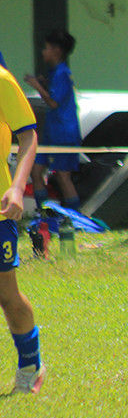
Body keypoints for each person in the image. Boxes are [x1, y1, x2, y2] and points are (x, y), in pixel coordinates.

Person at [0, 63, 45, 394]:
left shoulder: (2, 80)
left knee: (6, 294)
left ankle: (31, 365)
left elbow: (28, 136)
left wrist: (17, 187)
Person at [24, 29, 82, 212]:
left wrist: (36, 86)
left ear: (56, 51)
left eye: (46, 48)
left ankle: (74, 216)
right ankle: (43, 213)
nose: (43, 52)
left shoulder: (62, 73)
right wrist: (43, 83)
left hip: (64, 133)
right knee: (35, 171)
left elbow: (54, 102)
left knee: (63, 176)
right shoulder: (54, 72)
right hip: (51, 132)